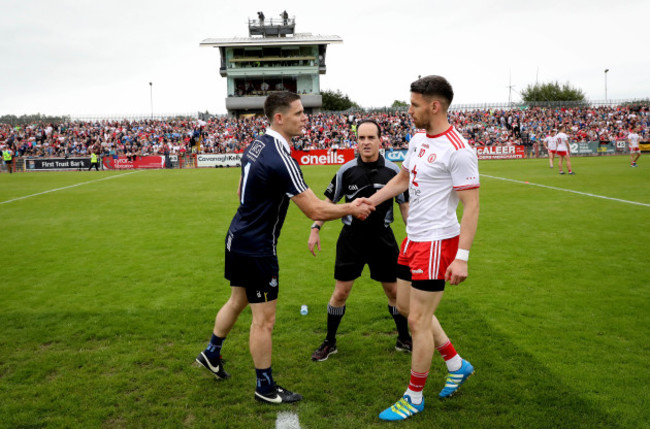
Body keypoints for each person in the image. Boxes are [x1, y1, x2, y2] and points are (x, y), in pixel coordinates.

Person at [195, 91, 374, 405]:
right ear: (279, 118)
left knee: (237, 300)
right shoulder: (280, 156)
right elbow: (315, 210)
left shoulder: (255, 145)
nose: (305, 117)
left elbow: (240, 189)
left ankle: (211, 353)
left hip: (236, 237)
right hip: (257, 247)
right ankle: (264, 387)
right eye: (299, 113)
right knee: (264, 320)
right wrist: (351, 208)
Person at [361, 75, 480, 421]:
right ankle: (457, 363)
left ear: (435, 106)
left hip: (437, 242)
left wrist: (462, 257)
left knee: (418, 320)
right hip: (413, 238)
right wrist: (373, 200)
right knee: (403, 307)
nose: (409, 110)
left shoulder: (458, 150)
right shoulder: (417, 139)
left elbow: (471, 206)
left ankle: (414, 397)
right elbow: (402, 179)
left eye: (414, 105)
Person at [308, 119, 411, 362]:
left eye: (370, 138)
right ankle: (329, 341)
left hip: (383, 239)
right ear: (356, 142)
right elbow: (328, 203)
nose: (366, 143)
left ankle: (403, 337)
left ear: (380, 140)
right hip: (351, 239)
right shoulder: (346, 170)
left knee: (394, 291)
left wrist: (414, 238)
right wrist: (315, 227)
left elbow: (405, 206)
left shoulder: (394, 172)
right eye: (361, 138)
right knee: (341, 292)